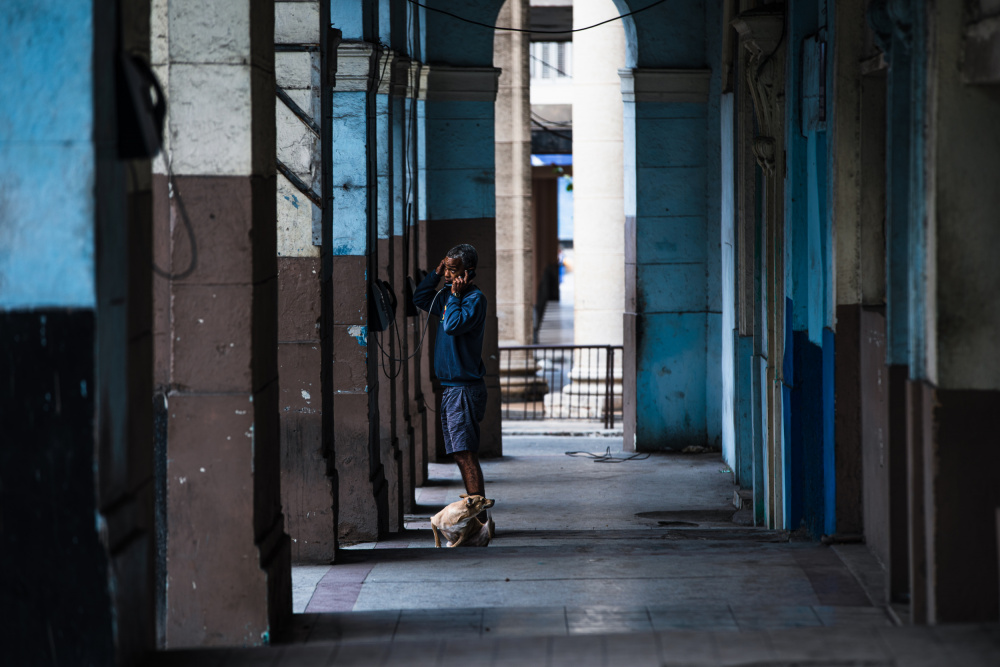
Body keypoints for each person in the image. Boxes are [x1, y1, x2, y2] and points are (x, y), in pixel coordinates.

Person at [412, 243, 490, 525]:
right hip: (451, 387)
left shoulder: (473, 300)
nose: (447, 274)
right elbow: (420, 298)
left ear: (468, 273)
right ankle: (477, 515)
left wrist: (455, 296)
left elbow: (452, 326)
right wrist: (436, 274)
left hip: (464, 389)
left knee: (465, 453)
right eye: (445, 267)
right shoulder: (447, 294)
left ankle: (480, 520)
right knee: (459, 452)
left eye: (452, 269)